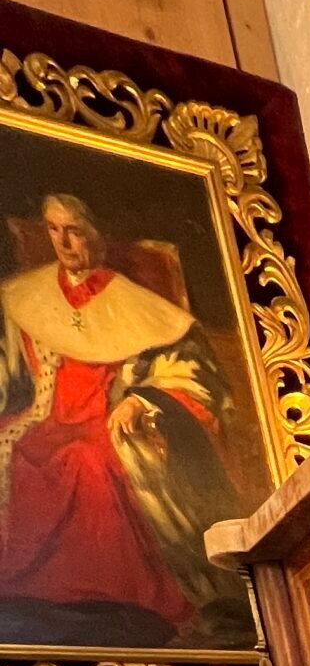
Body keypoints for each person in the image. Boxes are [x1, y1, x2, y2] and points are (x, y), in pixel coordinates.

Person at [0, 189, 245, 642]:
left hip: (104, 419)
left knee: (85, 462)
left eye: (74, 231)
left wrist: (143, 398)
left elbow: (192, 371)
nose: (64, 243)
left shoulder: (133, 301)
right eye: (54, 230)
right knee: (12, 450)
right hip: (40, 416)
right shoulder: (25, 295)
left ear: (95, 233)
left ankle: (115, 596)